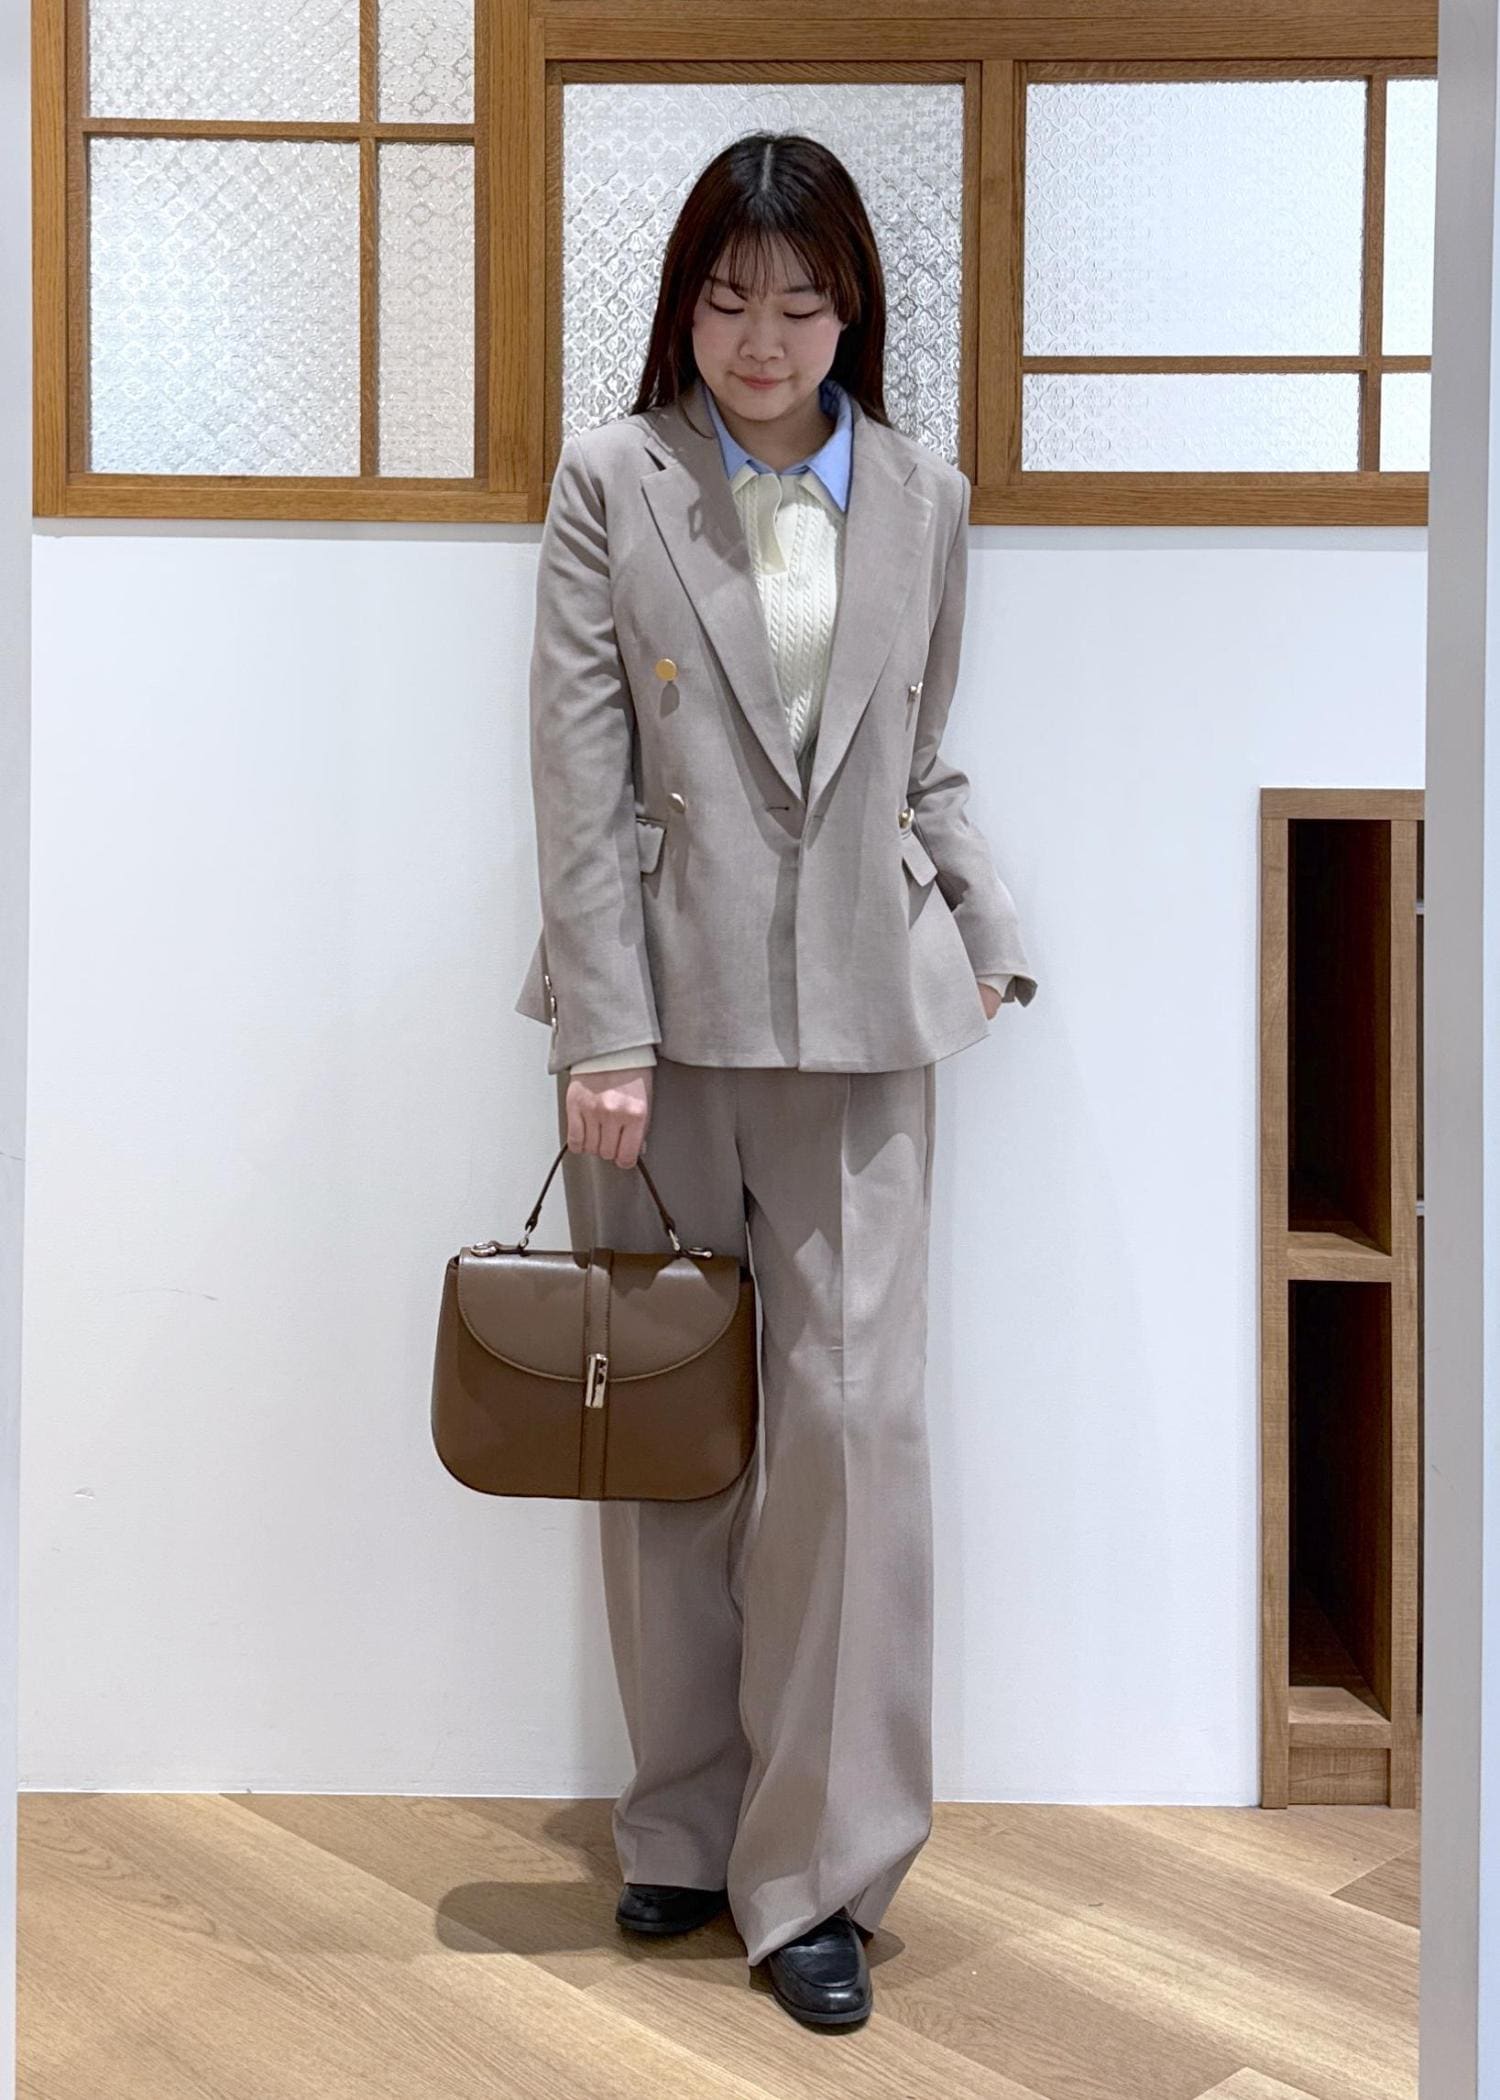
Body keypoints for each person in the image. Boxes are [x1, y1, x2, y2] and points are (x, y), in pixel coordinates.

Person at [513, 130, 1039, 2030]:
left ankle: (819, 1873)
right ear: (685, 305)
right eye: (730, 300)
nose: (762, 338)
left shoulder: (926, 496)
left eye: (801, 302)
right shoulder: (613, 479)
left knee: (853, 1439)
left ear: (852, 310)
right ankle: (678, 1822)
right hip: (657, 1041)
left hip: (868, 1028)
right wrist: (603, 1031)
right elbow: (577, 772)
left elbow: (918, 753)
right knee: (670, 1436)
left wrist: (987, 928)